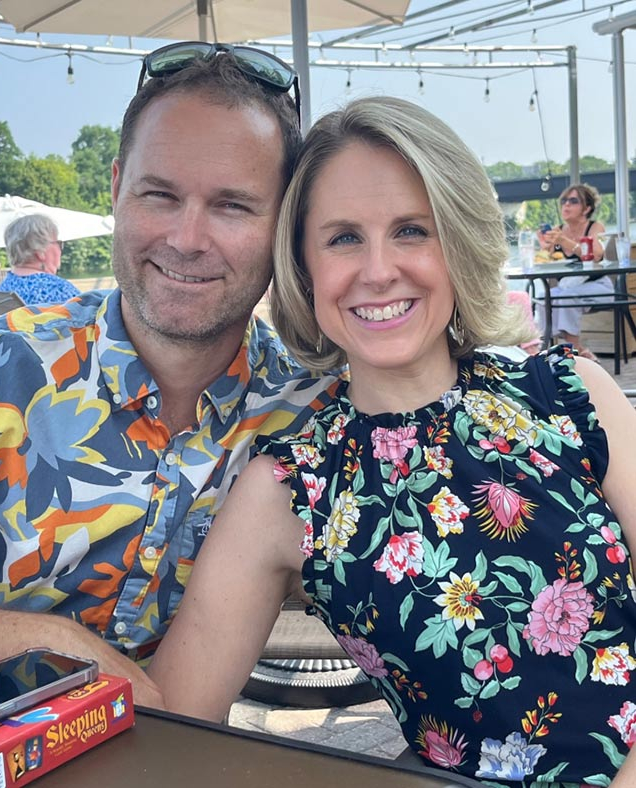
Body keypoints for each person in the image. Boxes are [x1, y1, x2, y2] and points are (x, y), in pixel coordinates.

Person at [149, 97, 636, 787]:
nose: (378, 270)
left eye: (411, 230)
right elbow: (173, 722)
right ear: (305, 266)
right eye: (343, 238)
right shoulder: (292, 488)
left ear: (458, 241)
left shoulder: (570, 392)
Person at [0, 45, 341, 707]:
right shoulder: (2, 369)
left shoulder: (311, 415)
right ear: (118, 188)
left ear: (285, 228)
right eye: (160, 194)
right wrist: (52, 637)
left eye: (232, 206)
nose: (186, 237)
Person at [536, 183, 613, 361]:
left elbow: (596, 255)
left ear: (586, 208)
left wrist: (564, 241)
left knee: (566, 298)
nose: (566, 205)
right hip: (567, 288)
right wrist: (544, 247)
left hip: (598, 287)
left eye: (573, 201)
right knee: (542, 298)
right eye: (564, 201)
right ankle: (559, 350)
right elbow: (548, 260)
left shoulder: (595, 227)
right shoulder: (559, 231)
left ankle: (574, 353)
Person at [0, 213, 80, 305]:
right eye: (57, 243)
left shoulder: (4, 288)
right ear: (40, 250)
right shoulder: (58, 289)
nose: (60, 250)